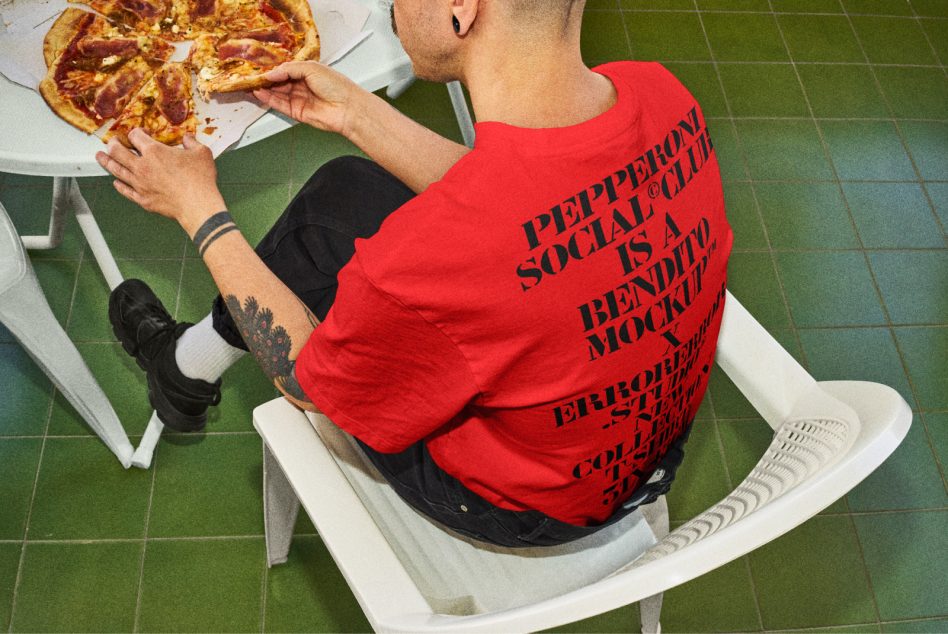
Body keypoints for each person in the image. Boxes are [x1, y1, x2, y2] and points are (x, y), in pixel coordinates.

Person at [96, 0, 732, 548]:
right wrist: (356, 113)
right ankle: (185, 366)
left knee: (325, 307)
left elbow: (308, 381)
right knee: (343, 192)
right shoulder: (660, 93)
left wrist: (199, 210)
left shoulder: (430, 257)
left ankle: (183, 366)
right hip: (637, 450)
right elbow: (532, 202)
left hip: (524, 507)